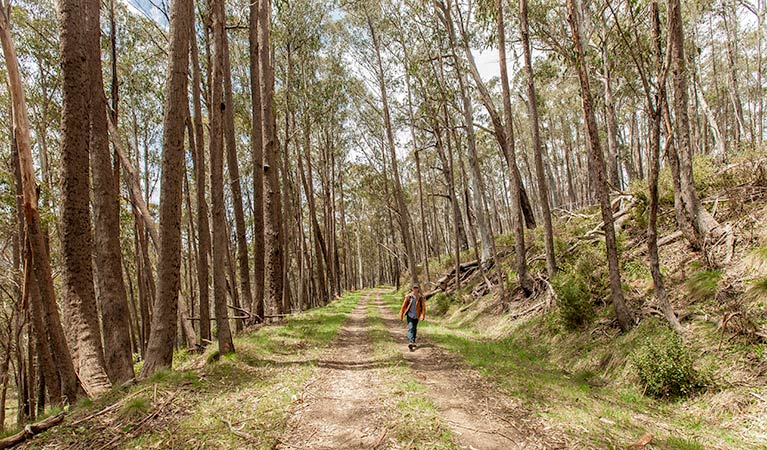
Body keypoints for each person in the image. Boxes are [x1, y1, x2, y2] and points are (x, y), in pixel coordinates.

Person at [399, 284, 425, 351]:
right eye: (414, 288)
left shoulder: (420, 297)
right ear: (412, 289)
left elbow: (423, 307)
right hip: (410, 315)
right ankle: (410, 342)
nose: (415, 289)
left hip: (417, 315)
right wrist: (401, 315)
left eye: (416, 288)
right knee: (410, 327)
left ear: (418, 289)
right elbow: (403, 306)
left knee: (414, 328)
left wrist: (423, 315)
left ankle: (413, 341)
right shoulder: (408, 296)